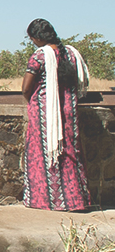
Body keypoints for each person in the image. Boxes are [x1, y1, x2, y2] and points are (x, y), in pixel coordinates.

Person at [21, 18, 91, 211]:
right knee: (70, 152)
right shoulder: (70, 54)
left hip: (45, 113)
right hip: (69, 110)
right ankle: (75, 200)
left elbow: (26, 87)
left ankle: (43, 200)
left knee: (43, 153)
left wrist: (33, 101)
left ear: (36, 37)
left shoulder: (41, 56)